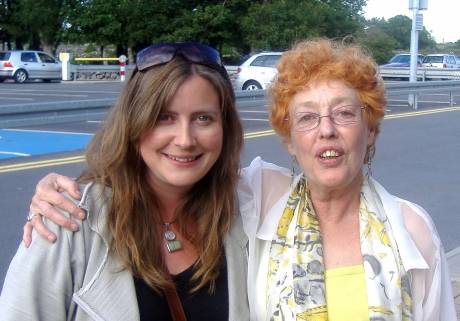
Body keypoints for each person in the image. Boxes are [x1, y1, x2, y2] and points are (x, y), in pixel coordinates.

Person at [16, 39, 457, 321]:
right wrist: (61, 187)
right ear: (287, 138)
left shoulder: (409, 230)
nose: (326, 130)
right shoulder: (260, 202)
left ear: (372, 128)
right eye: (306, 118)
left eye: (345, 114)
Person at [0, 42, 250, 321]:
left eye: (203, 118)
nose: (184, 140)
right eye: (163, 117)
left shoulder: (247, 211)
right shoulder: (67, 220)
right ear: (134, 122)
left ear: (225, 127)